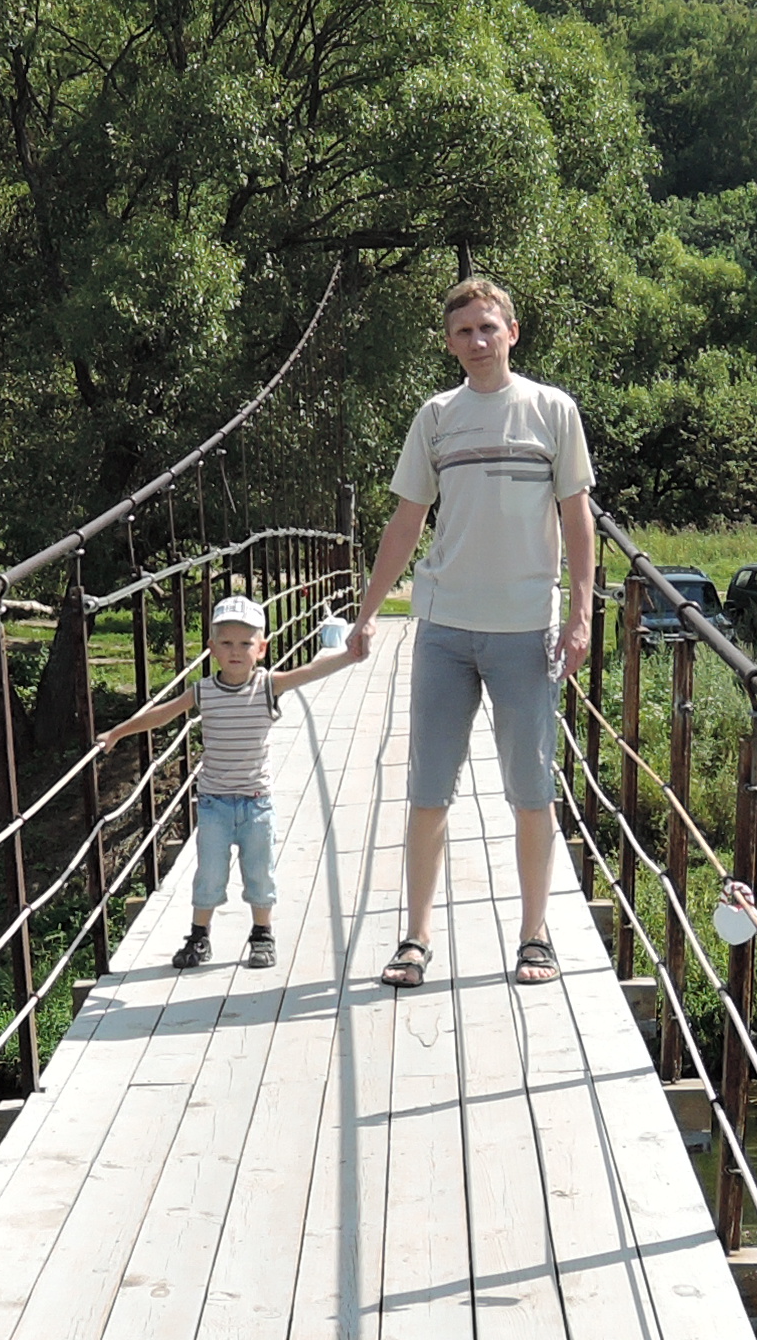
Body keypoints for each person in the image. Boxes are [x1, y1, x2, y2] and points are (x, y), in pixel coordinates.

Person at [347, 275, 596, 989]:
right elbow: (406, 522)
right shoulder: (435, 417)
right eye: (465, 331)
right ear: (450, 343)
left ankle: (534, 936)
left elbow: (578, 518)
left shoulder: (553, 411)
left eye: (489, 327)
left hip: (526, 629)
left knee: (531, 791)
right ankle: (416, 938)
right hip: (445, 628)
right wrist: (368, 612)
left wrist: (581, 614)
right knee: (428, 788)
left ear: (512, 332)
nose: (478, 341)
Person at [100, 590, 366, 970]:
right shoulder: (203, 692)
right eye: (226, 643)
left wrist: (348, 656)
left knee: (259, 874)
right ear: (211, 648)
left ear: (262, 648)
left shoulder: (268, 685)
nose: (235, 651)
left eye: (245, 643)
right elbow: (162, 714)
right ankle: (199, 937)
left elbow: (310, 672)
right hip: (215, 805)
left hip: (257, 803)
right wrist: (118, 733)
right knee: (209, 874)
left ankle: (262, 935)